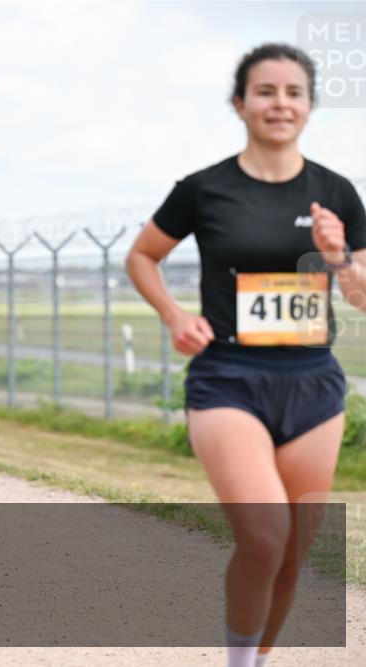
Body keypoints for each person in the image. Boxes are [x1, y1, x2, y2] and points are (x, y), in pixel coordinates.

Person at [125, 44, 366, 667]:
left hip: (313, 385)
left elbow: (363, 296)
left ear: (309, 106)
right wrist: (176, 317)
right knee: (263, 538)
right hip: (227, 379)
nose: (279, 103)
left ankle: (254, 660)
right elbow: (141, 256)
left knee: (293, 554)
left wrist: (338, 257)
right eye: (265, 91)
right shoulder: (205, 188)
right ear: (240, 104)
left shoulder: (336, 192)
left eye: (293, 92)